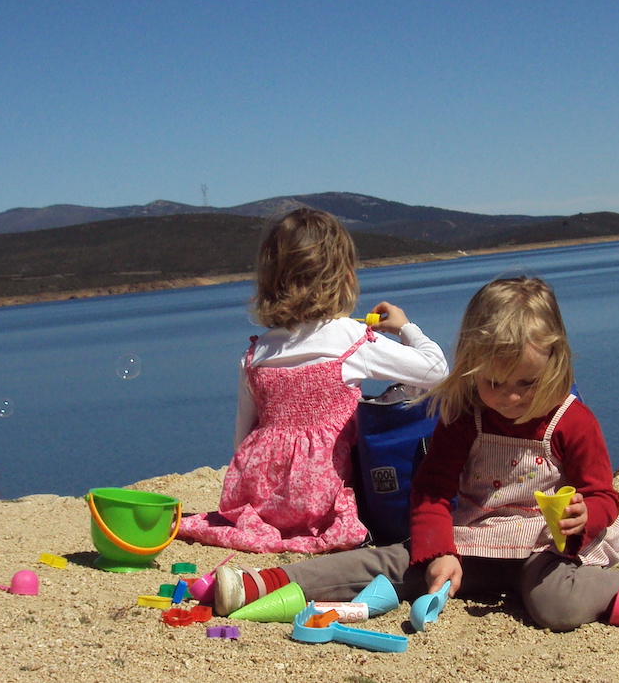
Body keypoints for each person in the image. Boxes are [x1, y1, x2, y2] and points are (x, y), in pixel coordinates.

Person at [210, 276, 619, 631]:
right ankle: (267, 583)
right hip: (475, 537)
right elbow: (432, 487)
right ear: (471, 364)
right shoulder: (464, 412)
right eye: (493, 382)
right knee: (391, 561)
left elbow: (603, 495)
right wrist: (440, 550)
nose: (510, 397)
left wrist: (585, 515)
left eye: (527, 383)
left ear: (557, 359)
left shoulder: (572, 420)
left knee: (552, 604)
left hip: (545, 546)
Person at [178, 208, 448, 553]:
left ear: (269, 281)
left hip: (260, 502)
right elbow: (436, 371)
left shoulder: (255, 354)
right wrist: (406, 327)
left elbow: (241, 442)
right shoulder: (350, 338)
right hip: (323, 500)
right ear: (346, 277)